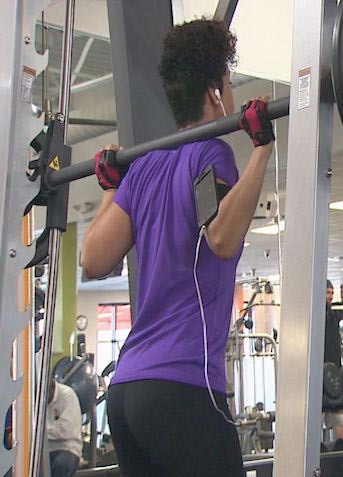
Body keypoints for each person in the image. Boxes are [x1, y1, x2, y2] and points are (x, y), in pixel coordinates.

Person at [80, 18, 275, 476]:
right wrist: (261, 149)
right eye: (227, 82)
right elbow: (222, 238)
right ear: (214, 91)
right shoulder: (210, 155)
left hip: (127, 395)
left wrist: (111, 185)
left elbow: (93, 258)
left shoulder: (144, 168)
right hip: (182, 388)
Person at [323, 280, 343, 442]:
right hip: (320, 373)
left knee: (339, 419)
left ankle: (340, 451)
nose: (330, 296)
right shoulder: (316, 314)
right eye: (327, 293)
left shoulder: (334, 313)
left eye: (331, 293)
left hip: (334, 372)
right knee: (317, 419)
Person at [47, 379, 83, 477]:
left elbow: (64, 431)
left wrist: (39, 433)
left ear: (52, 387)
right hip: (47, 450)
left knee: (60, 465)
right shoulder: (39, 401)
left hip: (68, 449)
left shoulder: (67, 395)